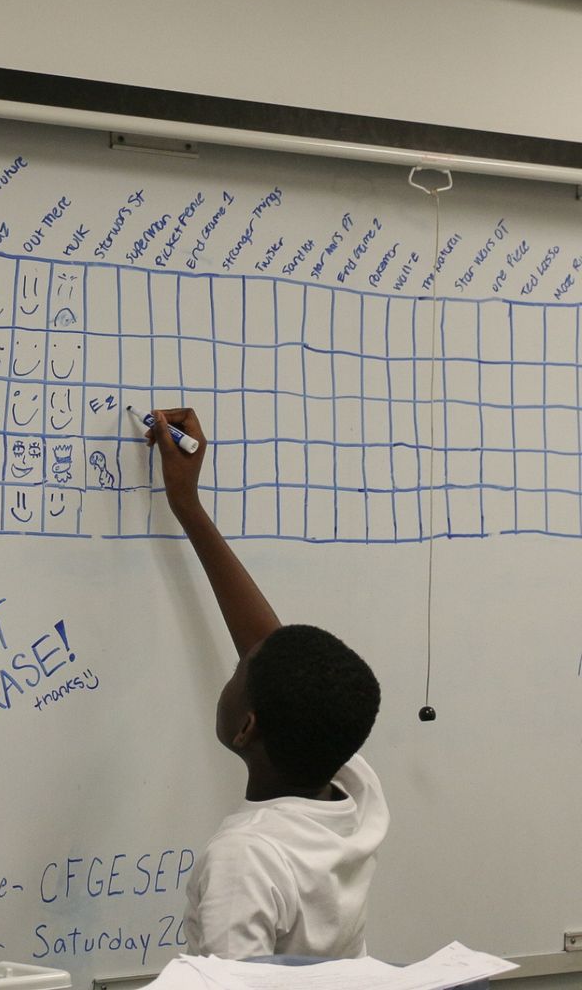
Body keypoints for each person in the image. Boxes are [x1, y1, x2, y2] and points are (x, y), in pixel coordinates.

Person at [145, 407, 390, 962]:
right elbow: (273, 653)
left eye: (239, 671)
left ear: (248, 726)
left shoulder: (247, 857)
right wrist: (188, 507)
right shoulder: (351, 800)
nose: (238, 660)